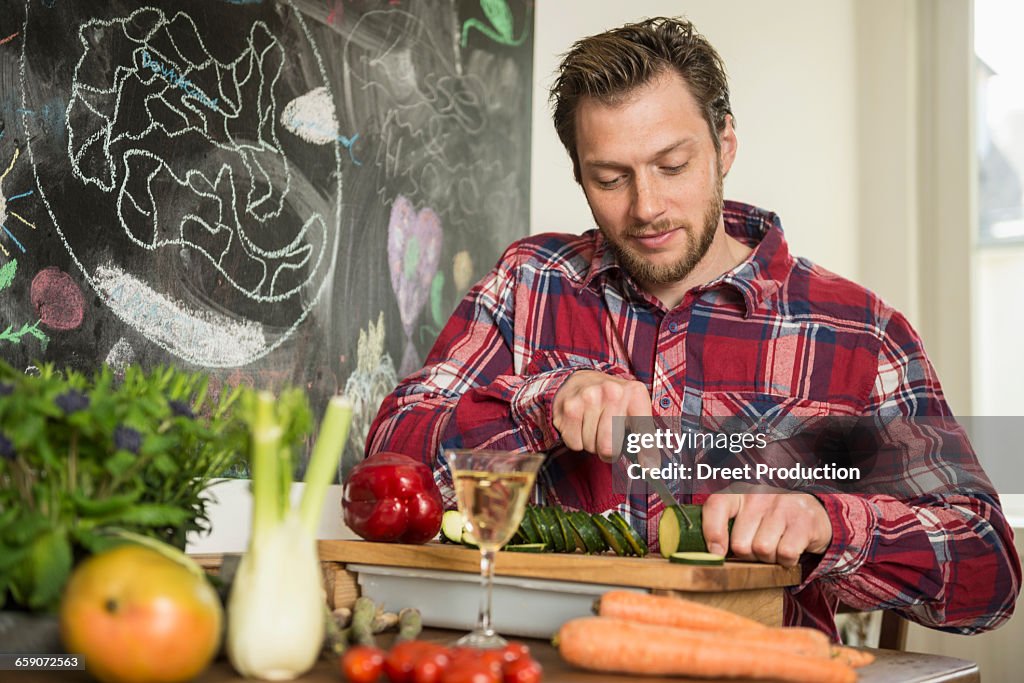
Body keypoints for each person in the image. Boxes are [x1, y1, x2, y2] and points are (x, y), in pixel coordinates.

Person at [366, 17, 1020, 637]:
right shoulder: (529, 281)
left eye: (672, 166)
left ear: (724, 143)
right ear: (580, 175)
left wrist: (829, 521)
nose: (646, 207)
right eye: (610, 177)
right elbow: (390, 460)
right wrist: (543, 403)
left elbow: (987, 572)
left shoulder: (859, 333)